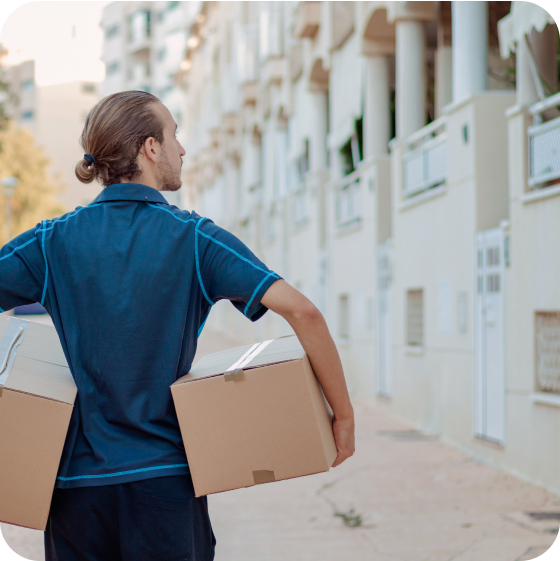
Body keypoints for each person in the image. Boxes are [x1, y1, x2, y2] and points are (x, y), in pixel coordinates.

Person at [0, 91, 354, 560]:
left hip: (76, 490)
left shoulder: (51, 241)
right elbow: (303, 311)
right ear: (150, 148)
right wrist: (343, 416)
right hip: (164, 482)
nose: (181, 150)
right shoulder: (194, 238)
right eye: (174, 136)